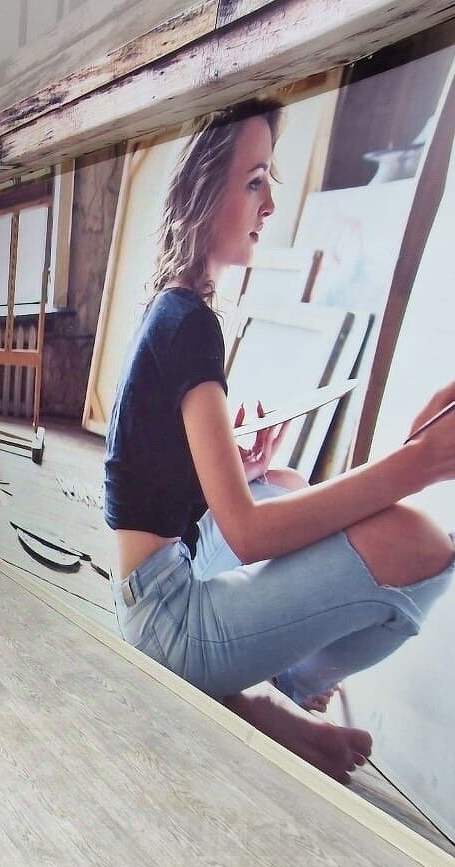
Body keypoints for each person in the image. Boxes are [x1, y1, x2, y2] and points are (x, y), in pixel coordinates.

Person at [104, 97, 455, 784]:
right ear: (205, 191)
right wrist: (416, 464)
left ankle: (248, 691)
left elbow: (146, 478)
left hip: (149, 590)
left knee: (285, 481)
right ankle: (279, 682)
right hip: (167, 622)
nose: (269, 204)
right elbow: (248, 533)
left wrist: (238, 464)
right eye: (254, 181)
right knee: (421, 544)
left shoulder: (172, 309)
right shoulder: (189, 322)